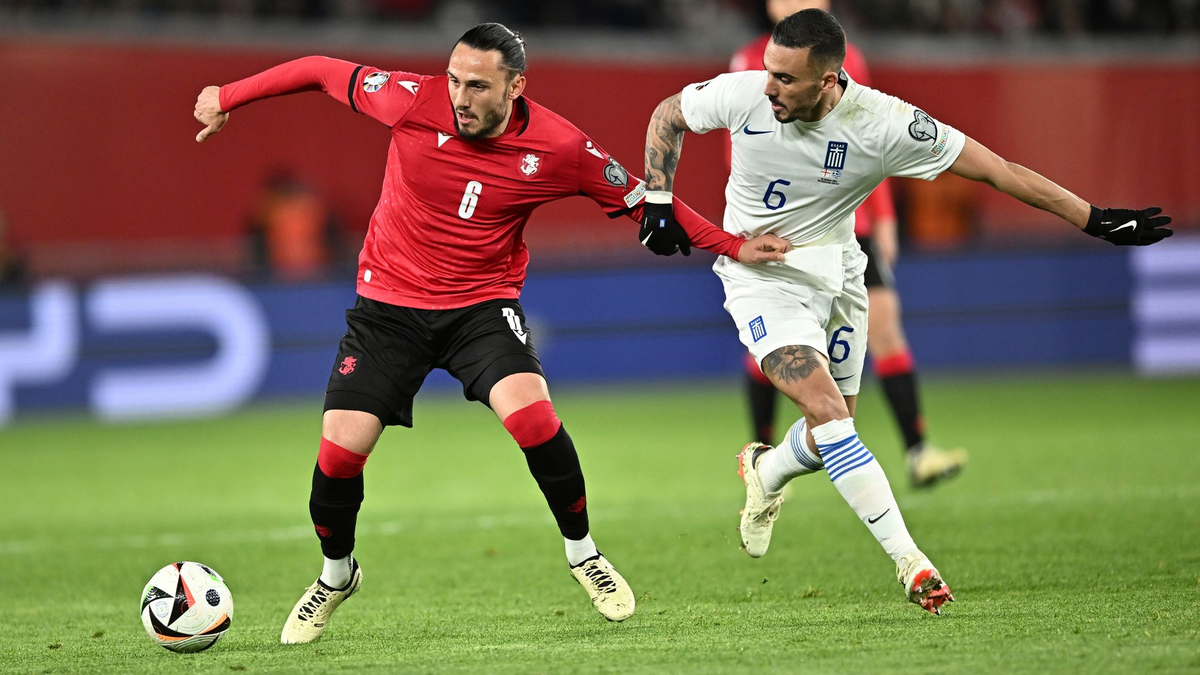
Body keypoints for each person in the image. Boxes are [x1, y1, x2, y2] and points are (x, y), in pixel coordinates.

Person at [193, 23, 791, 643]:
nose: (459, 97)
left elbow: (644, 201)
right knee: (338, 455)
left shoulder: (559, 147)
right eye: (454, 80)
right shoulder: (409, 99)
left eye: (477, 86)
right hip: (387, 309)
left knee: (534, 419)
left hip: (480, 308)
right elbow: (319, 68)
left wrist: (734, 245)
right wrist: (227, 96)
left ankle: (584, 554)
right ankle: (336, 575)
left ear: (515, 87)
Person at [642, 8, 1171, 615]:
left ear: (831, 78)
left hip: (841, 271)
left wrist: (1093, 218)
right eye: (769, 72)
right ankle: (910, 561)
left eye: (786, 79)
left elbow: (996, 170)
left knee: (830, 433)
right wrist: (659, 197)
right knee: (828, 413)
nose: (769, 87)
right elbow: (668, 116)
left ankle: (766, 470)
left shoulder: (885, 123)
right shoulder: (744, 94)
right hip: (760, 277)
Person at [731, 0, 966, 488]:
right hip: (785, 228)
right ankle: (761, 458)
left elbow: (868, 143)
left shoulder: (847, 59)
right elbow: (743, 151)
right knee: (771, 349)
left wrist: (883, 218)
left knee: (885, 330)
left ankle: (918, 452)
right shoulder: (750, 62)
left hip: (849, 228)